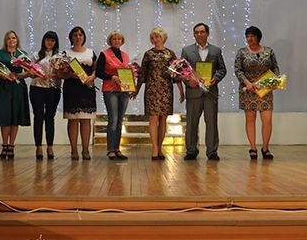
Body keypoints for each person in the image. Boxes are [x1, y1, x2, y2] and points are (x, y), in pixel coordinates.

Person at [135, 28, 184, 160]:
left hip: (166, 89)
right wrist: (137, 89)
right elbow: (142, 74)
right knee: (153, 118)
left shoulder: (170, 54)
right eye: (153, 37)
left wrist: (181, 89)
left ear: (163, 38)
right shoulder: (148, 54)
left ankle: (160, 147)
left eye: (157, 37)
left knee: (163, 119)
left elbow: (176, 73)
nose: (155, 39)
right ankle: (154, 148)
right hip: (152, 89)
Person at [180, 22, 227, 161]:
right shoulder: (186, 50)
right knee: (191, 122)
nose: (199, 34)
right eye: (197, 32)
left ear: (207, 33)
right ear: (194, 35)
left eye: (202, 32)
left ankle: (212, 151)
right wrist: (189, 81)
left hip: (210, 92)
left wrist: (215, 79)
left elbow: (222, 69)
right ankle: (191, 150)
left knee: (211, 122)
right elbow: (182, 71)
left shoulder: (216, 50)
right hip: (193, 91)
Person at [234, 26, 279, 160]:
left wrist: (274, 82)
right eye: (247, 36)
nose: (249, 39)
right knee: (250, 119)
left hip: (265, 90)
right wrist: (247, 83)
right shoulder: (242, 52)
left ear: (258, 37)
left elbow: (275, 68)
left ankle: (265, 148)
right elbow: (238, 70)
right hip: (248, 90)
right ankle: (253, 148)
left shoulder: (269, 51)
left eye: (252, 36)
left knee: (267, 120)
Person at [0, 30, 31, 159]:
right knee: (5, 116)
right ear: (5, 40)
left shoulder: (22, 54)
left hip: (18, 87)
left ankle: (11, 145)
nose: (11, 40)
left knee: (15, 116)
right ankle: (4, 145)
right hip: (4, 87)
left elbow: (29, 72)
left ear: (17, 40)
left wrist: (18, 75)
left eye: (13, 38)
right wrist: (3, 75)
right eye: (8, 38)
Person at [96, 30, 133, 160]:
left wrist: (132, 85)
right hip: (110, 90)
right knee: (113, 120)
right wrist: (111, 77)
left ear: (122, 41)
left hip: (124, 91)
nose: (116, 41)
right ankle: (110, 149)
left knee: (120, 120)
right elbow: (99, 72)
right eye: (114, 39)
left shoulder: (125, 56)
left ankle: (117, 148)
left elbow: (128, 73)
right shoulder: (104, 54)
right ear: (110, 41)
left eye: (119, 39)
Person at [62, 26, 96, 160]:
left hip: (87, 88)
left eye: (80, 35)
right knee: (73, 120)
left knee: (86, 119)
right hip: (71, 88)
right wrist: (71, 75)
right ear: (71, 37)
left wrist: (92, 77)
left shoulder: (91, 52)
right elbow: (60, 73)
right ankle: (74, 150)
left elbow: (96, 69)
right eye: (75, 35)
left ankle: (86, 150)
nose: (78, 37)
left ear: (84, 37)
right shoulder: (65, 53)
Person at [29, 31, 61, 160]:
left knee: (50, 117)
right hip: (37, 88)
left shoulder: (59, 57)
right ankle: (38, 147)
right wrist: (35, 73)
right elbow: (30, 72)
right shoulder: (36, 55)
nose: (50, 42)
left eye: (52, 40)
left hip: (53, 89)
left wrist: (52, 75)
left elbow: (62, 73)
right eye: (48, 40)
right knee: (38, 117)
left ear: (55, 42)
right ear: (44, 40)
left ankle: (50, 147)